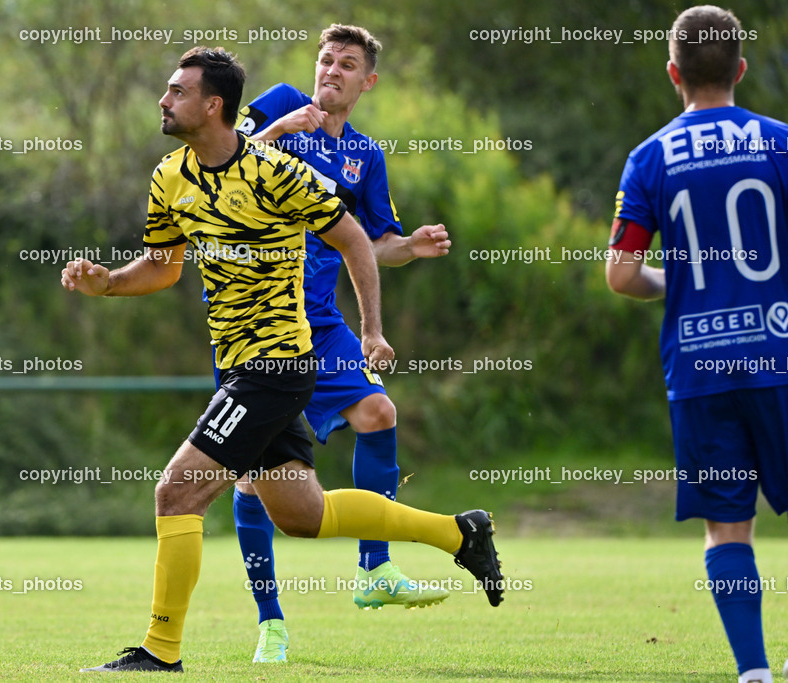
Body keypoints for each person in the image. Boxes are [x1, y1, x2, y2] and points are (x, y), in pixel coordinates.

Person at [63, 46, 504, 673]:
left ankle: (160, 652)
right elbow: (163, 267)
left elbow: (354, 239)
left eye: (176, 91)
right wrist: (106, 282)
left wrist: (372, 328)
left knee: (176, 492)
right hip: (236, 364)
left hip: (275, 365)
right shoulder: (170, 176)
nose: (163, 101)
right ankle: (460, 532)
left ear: (212, 105)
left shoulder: (275, 173)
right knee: (304, 514)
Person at [227, 24, 453, 663]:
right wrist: (277, 132)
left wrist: (409, 247)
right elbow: (221, 167)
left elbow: (368, 242)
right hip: (255, 320)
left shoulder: (365, 156)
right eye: (326, 59)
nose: (331, 71)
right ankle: (271, 622)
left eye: (347, 64)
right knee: (253, 480)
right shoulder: (276, 105)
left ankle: (374, 570)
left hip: (320, 322)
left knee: (379, 412)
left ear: (367, 82)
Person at [606, 7, 788, 682]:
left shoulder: (650, 156)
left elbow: (621, 274)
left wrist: (671, 279)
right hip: (782, 357)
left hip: (701, 368)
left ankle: (754, 671)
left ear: (673, 74)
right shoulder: (780, 143)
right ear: (740, 69)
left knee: (725, 527)